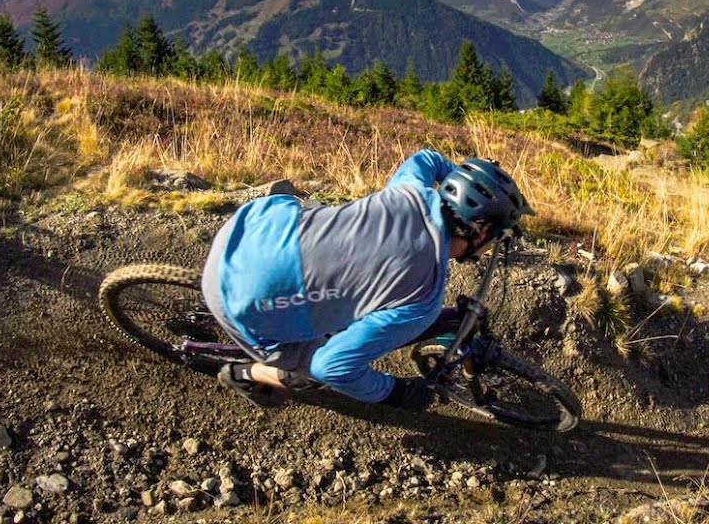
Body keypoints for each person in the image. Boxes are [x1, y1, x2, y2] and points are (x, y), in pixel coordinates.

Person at [199, 149, 533, 411]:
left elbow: (426, 158)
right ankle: (244, 374)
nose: (493, 245)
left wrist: (456, 176)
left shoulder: (410, 190)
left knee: (322, 219)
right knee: (313, 372)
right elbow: (333, 366)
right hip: (234, 300)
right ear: (483, 230)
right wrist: (395, 393)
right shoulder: (422, 298)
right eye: (496, 238)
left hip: (248, 228)